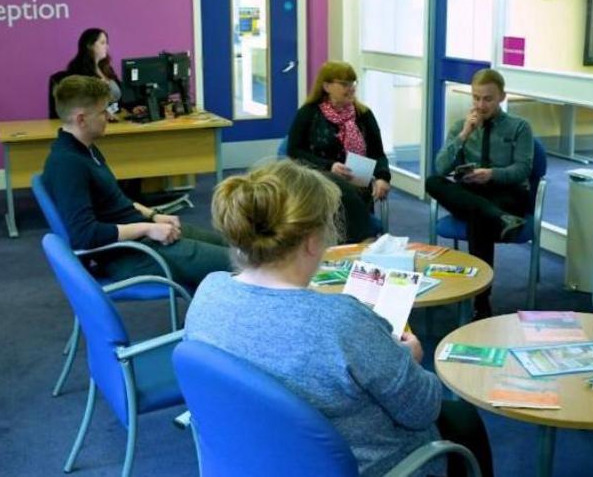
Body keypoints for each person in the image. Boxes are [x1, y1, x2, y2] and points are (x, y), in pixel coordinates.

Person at [184, 159, 492, 477]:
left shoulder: (209, 292)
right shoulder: (342, 323)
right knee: (462, 420)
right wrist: (410, 359)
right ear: (312, 240)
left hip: (253, 458)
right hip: (367, 466)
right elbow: (422, 409)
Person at [41, 75, 232, 290]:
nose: (109, 116)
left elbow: (117, 199)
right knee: (239, 263)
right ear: (81, 119)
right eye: (103, 111)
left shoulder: (86, 148)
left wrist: (154, 216)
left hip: (140, 240)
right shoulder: (68, 164)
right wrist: (147, 229)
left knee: (234, 248)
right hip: (128, 255)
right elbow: (84, 236)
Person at [425, 69, 533, 319]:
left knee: (478, 217)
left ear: (502, 97)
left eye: (488, 99)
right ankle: (499, 218)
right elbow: (441, 167)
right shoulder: (461, 126)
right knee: (433, 182)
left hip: (507, 194)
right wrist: (464, 135)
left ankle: (481, 301)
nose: (480, 105)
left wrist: (492, 174)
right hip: (473, 193)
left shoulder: (519, 127)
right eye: (476, 98)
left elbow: (523, 169)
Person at [287, 60, 390, 243]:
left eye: (353, 83)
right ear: (326, 86)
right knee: (337, 188)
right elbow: (294, 151)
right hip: (319, 180)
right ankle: (363, 240)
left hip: (359, 183)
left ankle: (355, 243)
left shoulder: (364, 114)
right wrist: (330, 165)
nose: (351, 89)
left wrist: (383, 177)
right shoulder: (309, 113)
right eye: (344, 84)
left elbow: (378, 153)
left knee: (349, 192)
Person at [64, 28, 125, 119]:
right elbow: (80, 105)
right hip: (91, 124)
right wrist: (103, 114)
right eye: (102, 43)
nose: (107, 47)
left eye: (107, 43)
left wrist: (132, 108)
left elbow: (120, 98)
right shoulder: (77, 71)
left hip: (113, 120)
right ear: (89, 45)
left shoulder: (107, 68)